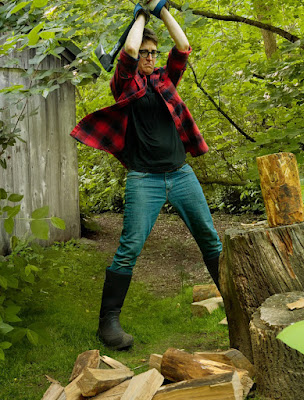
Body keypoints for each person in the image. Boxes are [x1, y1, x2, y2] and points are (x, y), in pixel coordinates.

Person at [70, 1, 222, 350]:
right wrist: (140, 14)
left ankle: (237, 301)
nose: (151, 57)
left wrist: (160, 8)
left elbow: (183, 46)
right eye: (145, 52)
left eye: (154, 52)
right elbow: (126, 51)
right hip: (144, 180)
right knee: (129, 248)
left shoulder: (166, 80)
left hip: (181, 175)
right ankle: (108, 323)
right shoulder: (125, 85)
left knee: (211, 241)